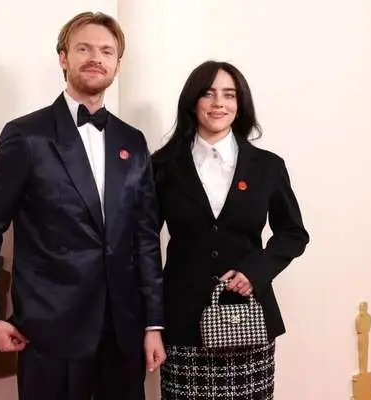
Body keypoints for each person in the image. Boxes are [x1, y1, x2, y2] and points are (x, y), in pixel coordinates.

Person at [0, 11, 166, 400]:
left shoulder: (133, 141)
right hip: (50, 333)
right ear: (63, 57)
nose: (96, 58)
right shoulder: (26, 136)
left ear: (117, 64)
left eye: (106, 51)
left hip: (123, 333)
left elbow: (145, 239)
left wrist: (153, 323)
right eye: (84, 49)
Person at [152, 60, 310, 399]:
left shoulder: (267, 166)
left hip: (248, 320)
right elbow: (145, 242)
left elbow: (293, 233)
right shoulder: (163, 166)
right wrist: (151, 323)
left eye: (229, 95)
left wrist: (256, 270)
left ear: (240, 105)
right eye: (208, 94)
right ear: (193, 101)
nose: (218, 104)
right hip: (182, 322)